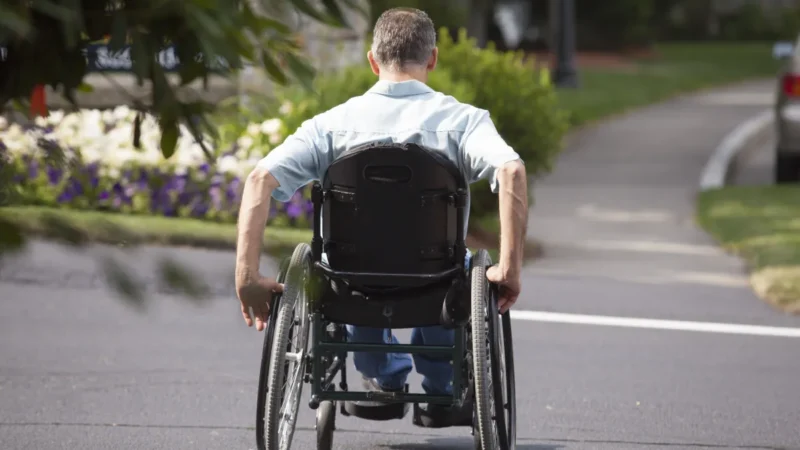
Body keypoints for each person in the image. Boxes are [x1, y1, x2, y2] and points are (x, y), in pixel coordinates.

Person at [234, 7, 528, 427]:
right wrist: (510, 267)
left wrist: (246, 277)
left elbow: (261, 178)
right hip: (436, 276)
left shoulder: (330, 126)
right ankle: (443, 385)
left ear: (372, 61)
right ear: (432, 59)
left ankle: (382, 379)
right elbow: (512, 170)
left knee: (347, 265)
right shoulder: (463, 122)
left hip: (352, 282)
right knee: (459, 269)